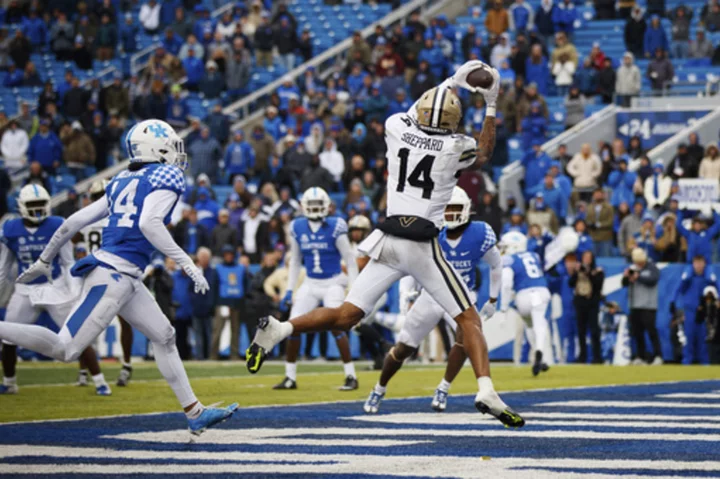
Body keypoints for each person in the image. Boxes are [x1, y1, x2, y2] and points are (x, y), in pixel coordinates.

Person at [246, 60, 525, 428]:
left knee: (347, 315)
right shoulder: (455, 146)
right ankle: (485, 388)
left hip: (387, 240)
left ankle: (281, 329)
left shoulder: (396, 126)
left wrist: (449, 81)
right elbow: (486, 152)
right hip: (420, 244)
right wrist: (490, 104)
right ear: (453, 123)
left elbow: (417, 112)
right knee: (468, 317)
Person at [7, 120, 237, 434]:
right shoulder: (166, 174)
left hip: (124, 276)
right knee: (65, 349)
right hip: (112, 275)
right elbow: (149, 224)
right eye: (170, 145)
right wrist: (188, 263)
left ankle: (194, 412)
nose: (175, 153)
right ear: (154, 148)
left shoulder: (121, 179)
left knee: (165, 336)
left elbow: (74, 220)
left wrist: (46, 258)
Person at [363, 187, 502, 413]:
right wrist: (406, 294)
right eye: (447, 210)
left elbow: (496, 264)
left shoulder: (479, 233)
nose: (450, 214)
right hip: (431, 294)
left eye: (455, 209)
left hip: (461, 295)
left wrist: (493, 299)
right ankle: (379, 389)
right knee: (403, 348)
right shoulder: (431, 232)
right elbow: (410, 265)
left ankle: (444, 388)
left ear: (467, 209)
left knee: (466, 337)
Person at [0, 185, 110, 396]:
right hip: (25, 290)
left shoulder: (57, 224)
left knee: (78, 334)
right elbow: (3, 268)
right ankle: (10, 381)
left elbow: (68, 262)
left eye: (40, 204)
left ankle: (99, 381)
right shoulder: (10, 229)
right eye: (33, 205)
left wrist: (74, 291)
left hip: (55, 287)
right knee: (8, 337)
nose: (38, 209)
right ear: (21, 206)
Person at [273, 187, 360, 391]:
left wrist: (354, 288)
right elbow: (295, 260)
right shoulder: (297, 226)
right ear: (303, 207)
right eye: (310, 205)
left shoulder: (336, 225)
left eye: (317, 205)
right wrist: (289, 290)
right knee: (292, 326)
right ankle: (289, 377)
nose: (314, 209)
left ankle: (351, 376)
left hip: (333, 282)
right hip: (310, 283)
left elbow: (349, 259)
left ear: (326, 206)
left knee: (337, 326)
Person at [73, 181, 134, 387]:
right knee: (86, 323)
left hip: (101, 274)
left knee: (88, 322)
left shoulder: (87, 218)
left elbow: (72, 237)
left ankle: (86, 370)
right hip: (110, 273)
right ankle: (123, 365)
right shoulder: (119, 217)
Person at [500, 231, 553, 375]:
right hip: (541, 292)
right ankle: (540, 352)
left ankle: (537, 352)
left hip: (523, 296)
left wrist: (503, 308)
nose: (503, 250)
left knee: (529, 324)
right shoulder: (534, 255)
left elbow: (506, 284)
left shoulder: (509, 259)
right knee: (539, 321)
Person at [671, 255, 720, 364]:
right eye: (696, 263)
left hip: (704, 311)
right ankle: (687, 361)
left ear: (704, 264)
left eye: (700, 263)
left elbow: (717, 286)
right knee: (689, 337)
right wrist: (673, 301)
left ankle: (704, 361)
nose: (698, 266)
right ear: (693, 264)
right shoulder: (688, 278)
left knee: (703, 337)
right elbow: (678, 288)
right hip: (690, 310)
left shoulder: (708, 278)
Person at [622, 248, 662, 365]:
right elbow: (623, 284)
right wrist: (626, 277)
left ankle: (658, 355)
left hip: (649, 306)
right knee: (637, 333)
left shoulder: (652, 267)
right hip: (635, 305)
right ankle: (640, 356)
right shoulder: (632, 268)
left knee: (651, 332)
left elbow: (653, 280)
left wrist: (638, 277)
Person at [212, 246, 248, 360]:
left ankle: (234, 354)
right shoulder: (218, 268)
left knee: (235, 330)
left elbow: (245, 285)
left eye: (231, 254)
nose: (229, 256)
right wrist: (216, 302)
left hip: (236, 302)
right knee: (217, 330)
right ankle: (213, 354)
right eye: (226, 254)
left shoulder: (241, 268)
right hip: (222, 302)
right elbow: (214, 286)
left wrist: (243, 301)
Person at [569, 249, 604, 363]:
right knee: (581, 331)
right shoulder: (578, 271)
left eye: (589, 258)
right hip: (580, 302)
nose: (586, 260)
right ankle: (582, 356)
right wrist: (575, 272)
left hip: (592, 302)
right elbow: (570, 283)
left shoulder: (598, 271)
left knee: (594, 330)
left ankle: (597, 357)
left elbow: (598, 285)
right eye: (585, 257)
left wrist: (588, 273)